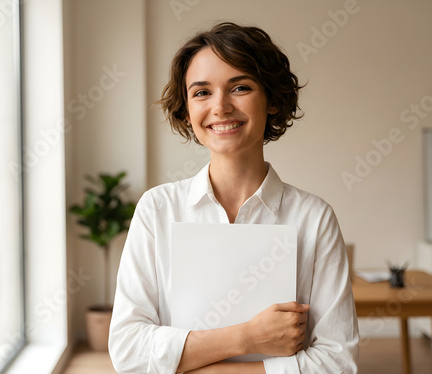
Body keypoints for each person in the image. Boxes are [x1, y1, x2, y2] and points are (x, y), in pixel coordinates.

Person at [109, 22, 359, 373]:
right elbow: (128, 350)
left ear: (271, 100)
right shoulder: (158, 210)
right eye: (201, 93)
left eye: (240, 87)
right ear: (186, 110)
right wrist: (247, 338)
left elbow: (337, 362)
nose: (221, 107)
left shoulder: (314, 218)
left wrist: (189, 364)